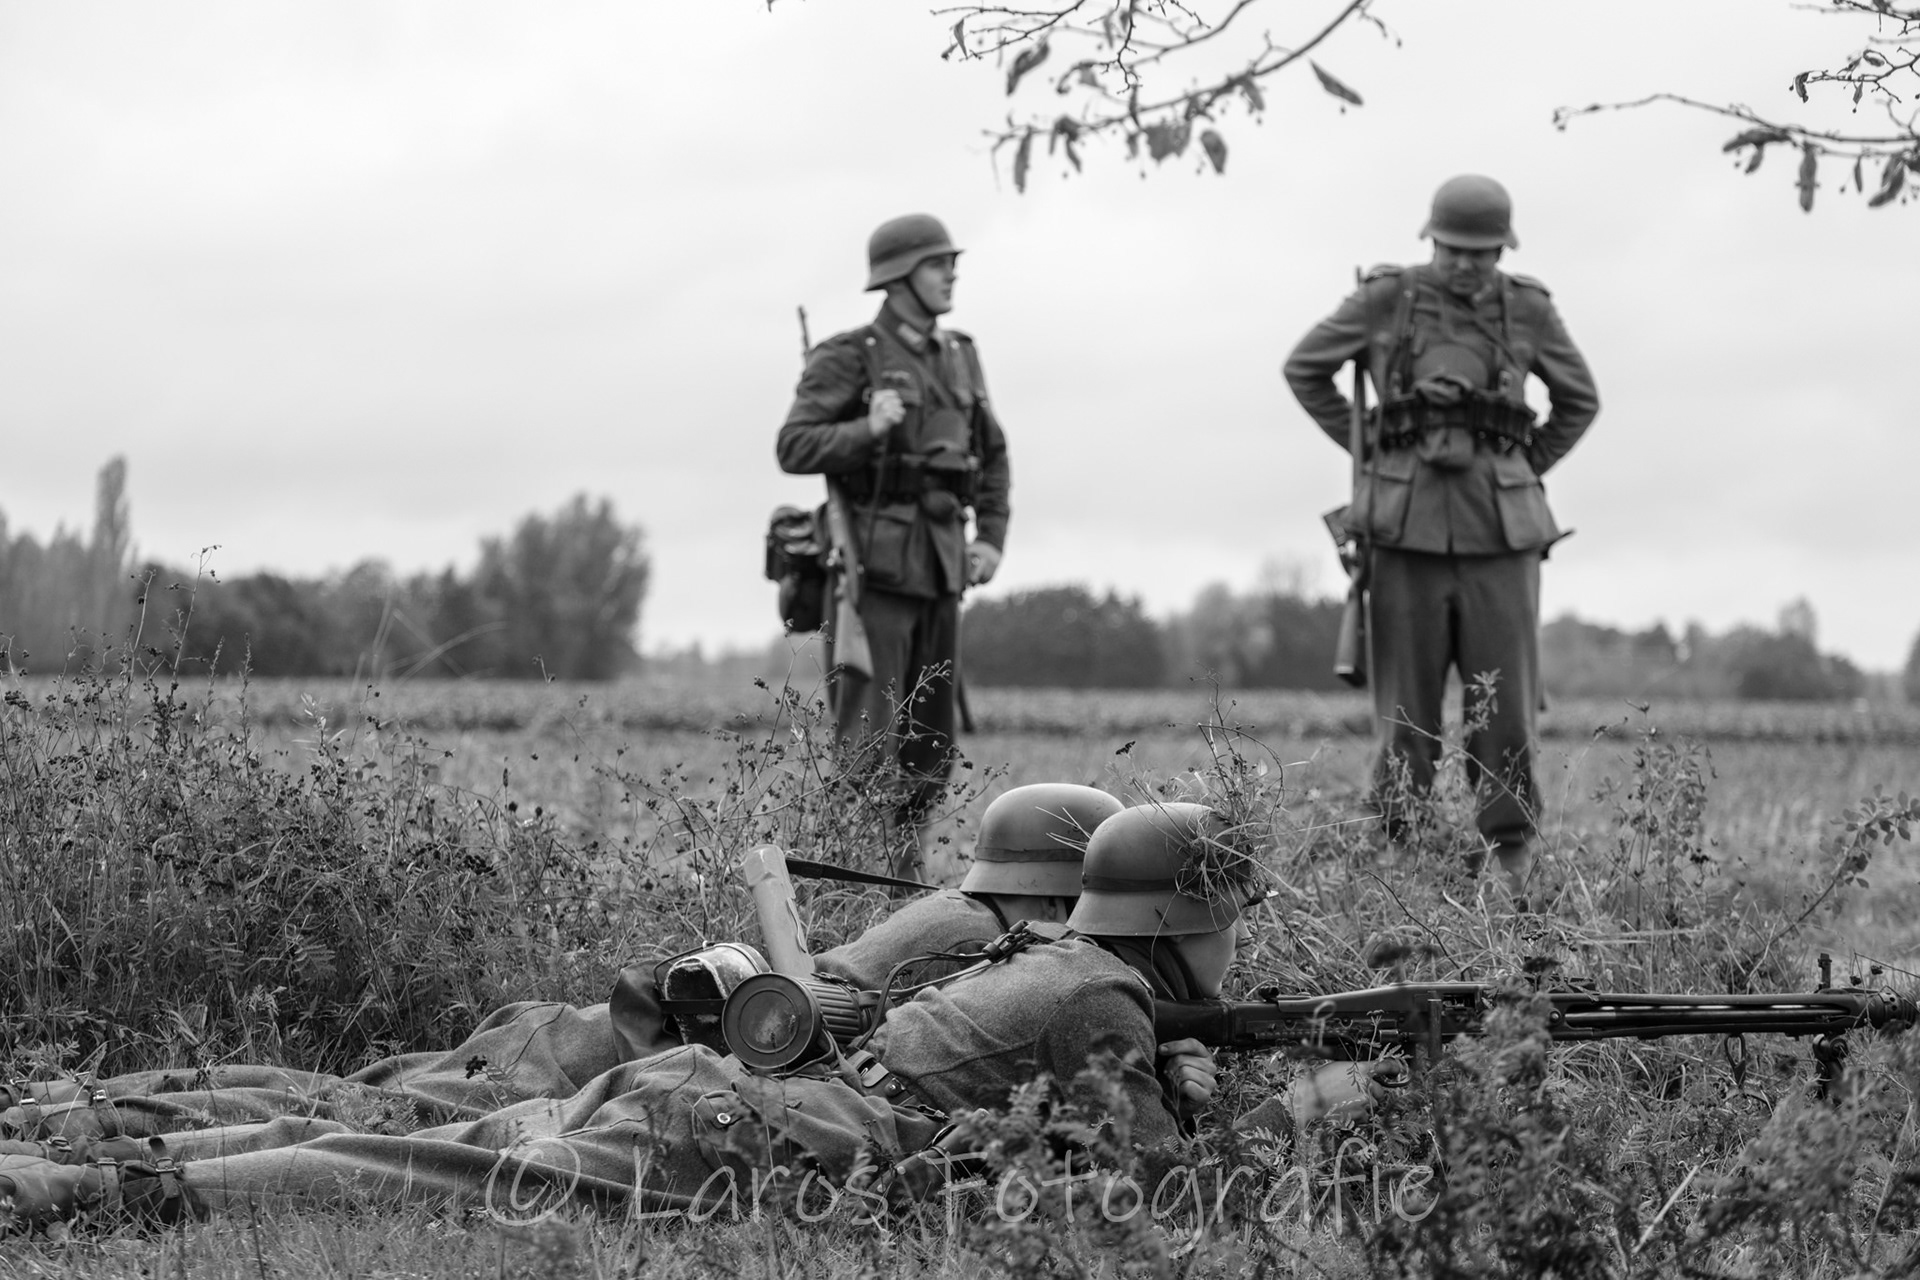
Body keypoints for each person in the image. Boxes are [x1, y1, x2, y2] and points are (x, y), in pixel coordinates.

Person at [0, 802, 1384, 1229]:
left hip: (719, 1090)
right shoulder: (1098, 995)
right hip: (746, 1124)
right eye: (1226, 921)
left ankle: (79, 1153)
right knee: (412, 1162)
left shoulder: (1049, 964)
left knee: (400, 1131)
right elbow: (1154, 1189)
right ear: (1182, 919)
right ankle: (80, 1183)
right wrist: (1292, 1112)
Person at [1283, 174, 1600, 891]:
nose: (1465, 264)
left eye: (1481, 252)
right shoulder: (1385, 298)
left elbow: (1580, 399)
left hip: (1501, 537)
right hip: (1403, 533)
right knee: (1405, 711)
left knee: (1505, 708)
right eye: (1453, 249)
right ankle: (1399, 849)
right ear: (1430, 239)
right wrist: (1375, 452)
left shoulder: (1528, 309)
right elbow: (1304, 369)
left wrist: (1519, 467)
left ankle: (1510, 852)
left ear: (1503, 250)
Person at [777, 214, 1012, 875]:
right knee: (867, 745)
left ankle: (904, 886)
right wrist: (864, 429)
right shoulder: (851, 355)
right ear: (900, 276)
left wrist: (991, 538)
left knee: (931, 746)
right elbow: (794, 445)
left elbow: (992, 456)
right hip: (873, 575)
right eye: (938, 264)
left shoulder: (960, 354)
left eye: (951, 263)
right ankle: (852, 882)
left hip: (942, 569)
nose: (951, 275)